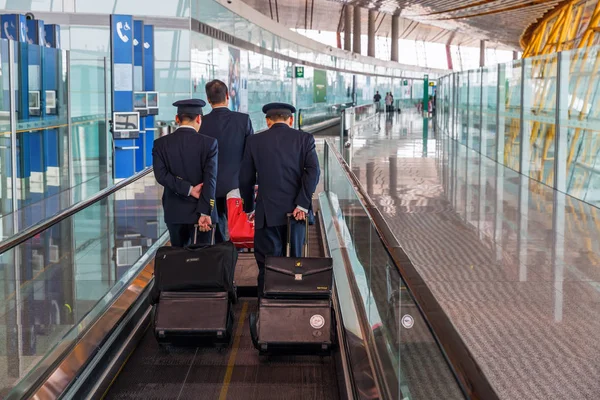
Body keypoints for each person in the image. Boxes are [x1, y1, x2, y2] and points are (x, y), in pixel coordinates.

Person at [239, 103, 320, 297]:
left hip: (267, 215)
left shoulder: (255, 141)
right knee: (295, 263)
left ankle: (267, 305)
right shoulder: (305, 139)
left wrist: (250, 207)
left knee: (268, 264)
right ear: (290, 120)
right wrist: (301, 203)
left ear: (268, 121)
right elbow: (313, 172)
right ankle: (294, 302)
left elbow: (245, 179)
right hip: (296, 214)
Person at [152, 99, 218, 247]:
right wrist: (205, 212)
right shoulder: (209, 143)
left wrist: (188, 189)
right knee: (203, 258)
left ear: (177, 119)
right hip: (201, 211)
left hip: (175, 211)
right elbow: (210, 179)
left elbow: (161, 176)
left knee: (178, 258)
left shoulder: (160, 144)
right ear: (199, 118)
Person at [199, 79, 254, 243]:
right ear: (228, 96)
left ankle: (220, 255)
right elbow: (250, 153)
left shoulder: (202, 123)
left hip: (209, 185)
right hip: (236, 185)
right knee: (236, 226)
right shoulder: (243, 120)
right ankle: (234, 250)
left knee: (216, 228)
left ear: (208, 100)